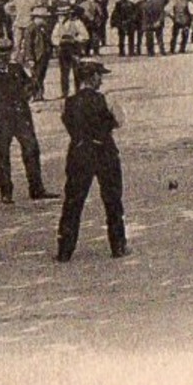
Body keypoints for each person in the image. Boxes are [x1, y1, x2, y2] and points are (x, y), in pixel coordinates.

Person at [56, 60, 127, 261]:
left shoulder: (66, 102)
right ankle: (118, 246)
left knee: (73, 202)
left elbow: (67, 123)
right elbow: (120, 121)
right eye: (99, 75)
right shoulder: (108, 100)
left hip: (79, 152)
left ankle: (64, 250)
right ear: (92, 77)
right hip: (104, 152)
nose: (101, 79)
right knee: (112, 200)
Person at [0, 39, 56, 204]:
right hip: (1, 122)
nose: (3, 58)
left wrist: (32, 87)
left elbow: (29, 87)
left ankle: (36, 188)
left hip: (21, 118)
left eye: (6, 54)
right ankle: (6, 191)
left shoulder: (17, 70)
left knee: (31, 150)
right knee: (3, 155)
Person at [52, 7, 90, 98]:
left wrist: (75, 39)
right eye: (59, 15)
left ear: (68, 15)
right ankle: (64, 92)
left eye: (63, 15)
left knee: (77, 71)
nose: (61, 17)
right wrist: (59, 41)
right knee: (64, 72)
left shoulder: (77, 23)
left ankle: (78, 91)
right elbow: (53, 37)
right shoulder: (58, 25)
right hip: (63, 49)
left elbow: (85, 35)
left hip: (74, 49)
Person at [18, 5, 54, 101]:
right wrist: (30, 58)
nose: (45, 20)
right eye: (43, 18)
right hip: (36, 56)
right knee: (36, 76)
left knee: (41, 75)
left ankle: (39, 94)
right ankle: (35, 95)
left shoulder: (43, 28)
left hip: (43, 55)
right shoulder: (30, 29)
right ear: (37, 18)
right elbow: (28, 45)